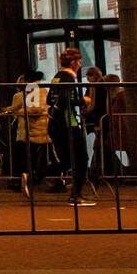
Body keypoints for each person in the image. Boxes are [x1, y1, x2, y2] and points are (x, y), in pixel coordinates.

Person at [47, 47, 95, 207]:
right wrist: (84, 101)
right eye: (79, 61)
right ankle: (76, 196)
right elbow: (65, 100)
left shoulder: (57, 77)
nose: (80, 64)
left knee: (67, 160)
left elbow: (50, 99)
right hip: (68, 124)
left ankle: (35, 174)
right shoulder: (69, 77)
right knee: (81, 159)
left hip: (55, 124)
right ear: (73, 62)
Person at [6, 70, 53, 199]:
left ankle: (30, 178)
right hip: (37, 129)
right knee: (34, 157)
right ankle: (30, 178)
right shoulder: (37, 88)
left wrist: (19, 111)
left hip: (33, 130)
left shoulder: (33, 88)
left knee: (30, 157)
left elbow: (35, 109)